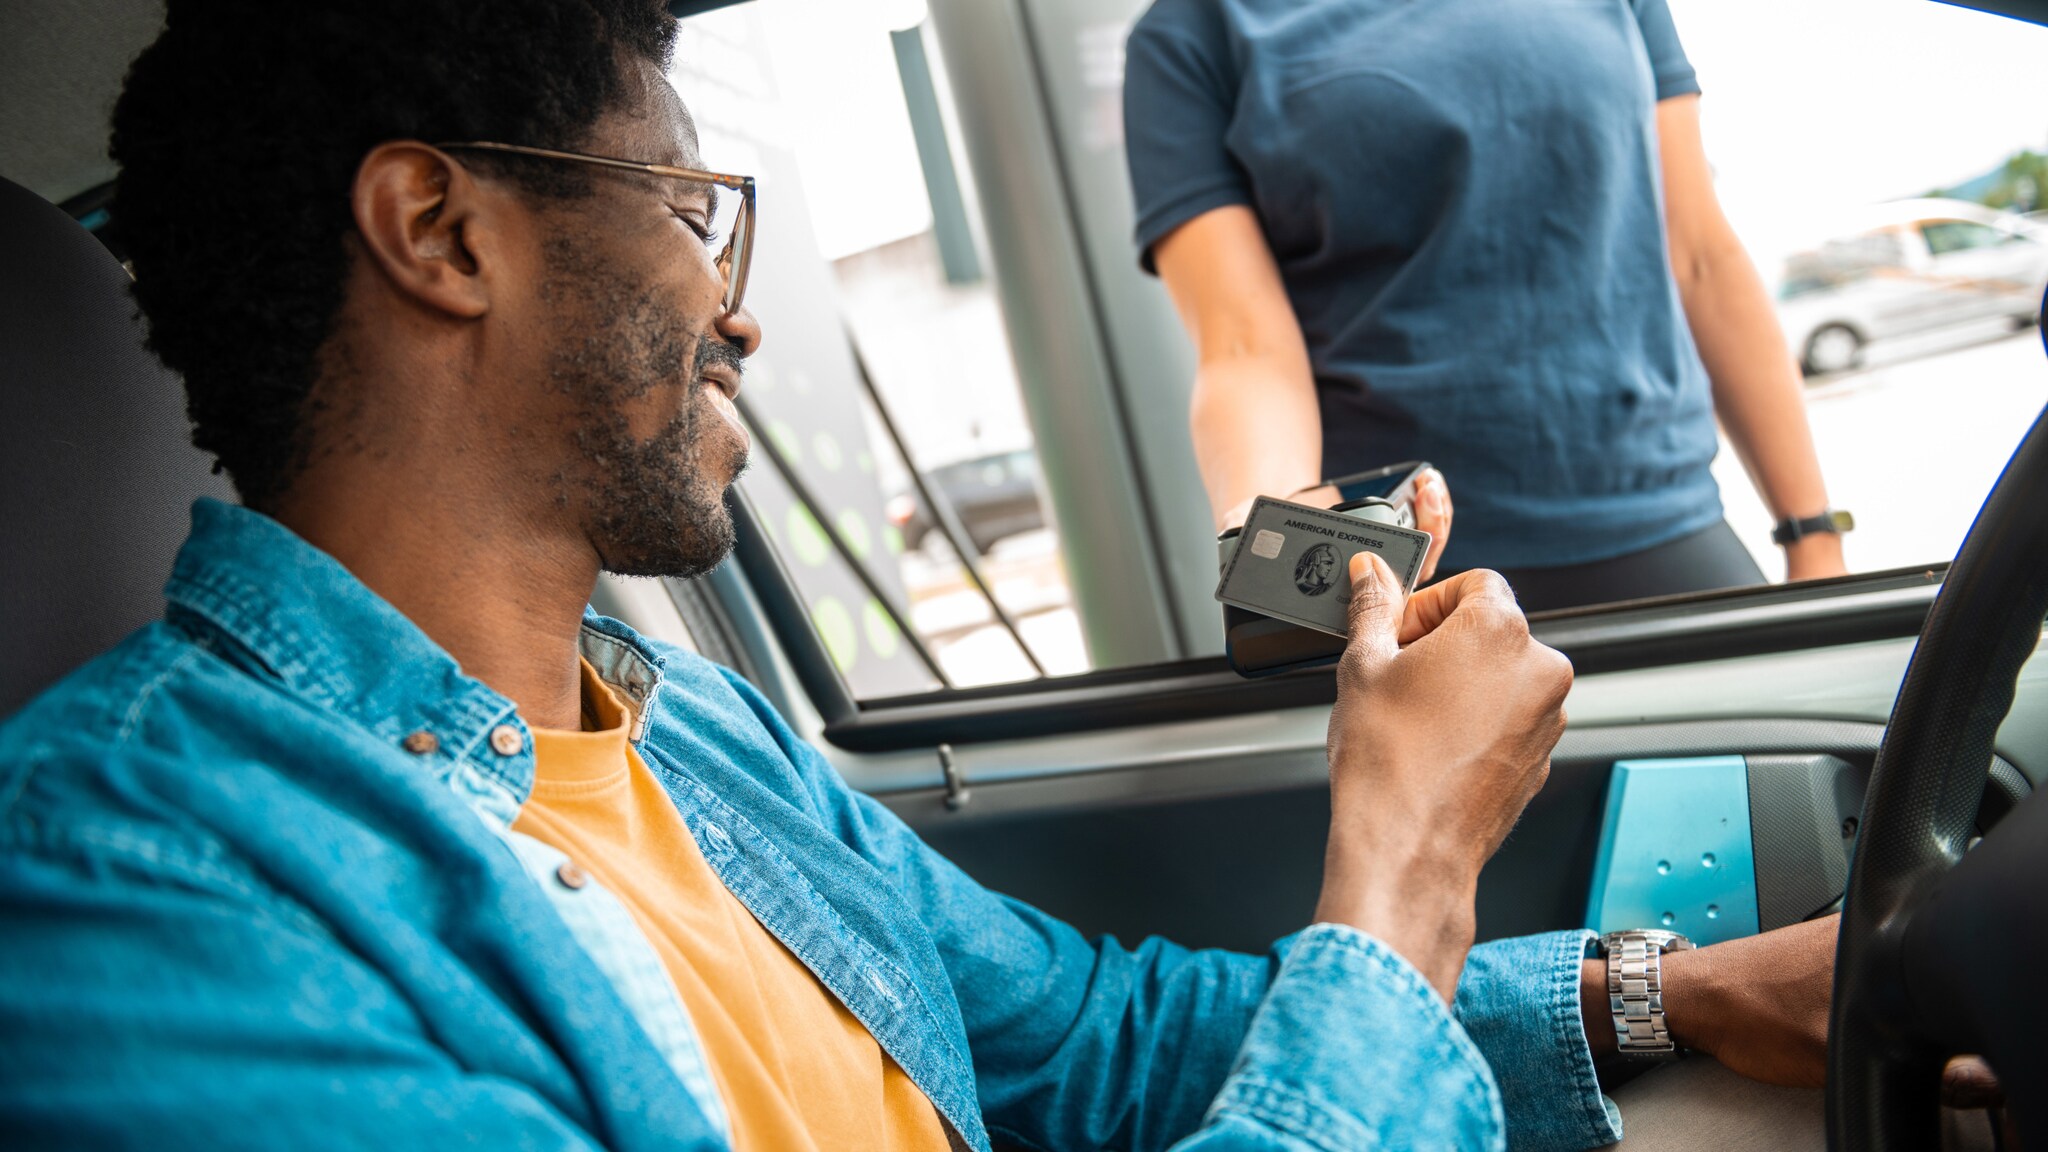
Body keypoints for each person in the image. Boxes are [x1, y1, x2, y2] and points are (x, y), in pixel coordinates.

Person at [0, 2, 1843, 1148]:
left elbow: (1106, 1049)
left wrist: (1669, 995)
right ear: (442, 232)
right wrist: (1403, 866)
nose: (734, 310)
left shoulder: (689, 733)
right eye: (687, 207)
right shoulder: (128, 898)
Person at [1123, 0, 1852, 612]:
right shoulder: (1192, 32)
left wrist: (1814, 535)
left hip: (1663, 522)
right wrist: (1277, 538)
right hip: (1406, 572)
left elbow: (1699, 255)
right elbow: (1245, 343)